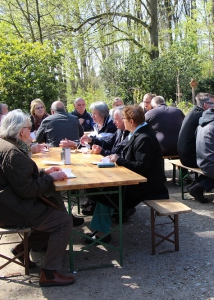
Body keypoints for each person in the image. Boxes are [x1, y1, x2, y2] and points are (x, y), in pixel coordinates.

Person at [0, 109, 74, 287]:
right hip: (10, 208)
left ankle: (22, 249)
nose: (32, 131)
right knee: (63, 220)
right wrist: (50, 178)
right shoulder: (13, 153)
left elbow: (19, 178)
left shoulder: (5, 144)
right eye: (29, 127)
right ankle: (49, 273)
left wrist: (43, 172)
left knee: (54, 210)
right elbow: (28, 189)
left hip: (8, 202)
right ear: (21, 131)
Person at [85, 105, 169, 243]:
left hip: (148, 186)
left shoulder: (144, 138)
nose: (121, 121)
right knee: (103, 191)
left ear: (131, 122)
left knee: (108, 193)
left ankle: (102, 232)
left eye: (123, 119)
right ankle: (101, 230)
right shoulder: (137, 133)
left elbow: (141, 168)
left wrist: (119, 160)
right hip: (137, 180)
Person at [60, 106, 129, 215]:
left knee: (91, 182)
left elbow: (117, 152)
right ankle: (97, 204)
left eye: (95, 114)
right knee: (87, 178)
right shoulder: (119, 130)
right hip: (114, 166)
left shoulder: (117, 129)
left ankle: (115, 208)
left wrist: (102, 150)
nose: (92, 116)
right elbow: (107, 142)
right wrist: (91, 140)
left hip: (123, 173)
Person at [177, 93, 214, 202]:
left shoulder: (193, 112)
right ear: (206, 105)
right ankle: (199, 187)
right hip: (191, 157)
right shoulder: (203, 116)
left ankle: (195, 185)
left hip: (184, 155)